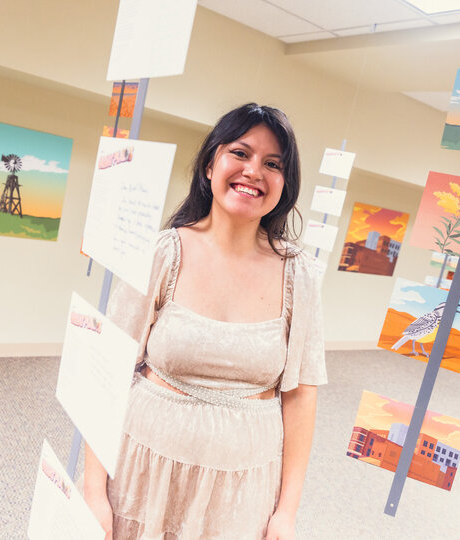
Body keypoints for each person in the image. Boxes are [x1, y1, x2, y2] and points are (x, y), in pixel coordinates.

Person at [83, 103, 327, 539]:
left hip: (241, 491)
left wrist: (286, 514)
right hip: (143, 472)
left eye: (273, 164)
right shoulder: (163, 252)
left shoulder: (299, 274)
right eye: (241, 153)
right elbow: (110, 371)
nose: (254, 171)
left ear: (284, 185)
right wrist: (93, 491)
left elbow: (301, 397)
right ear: (211, 162)